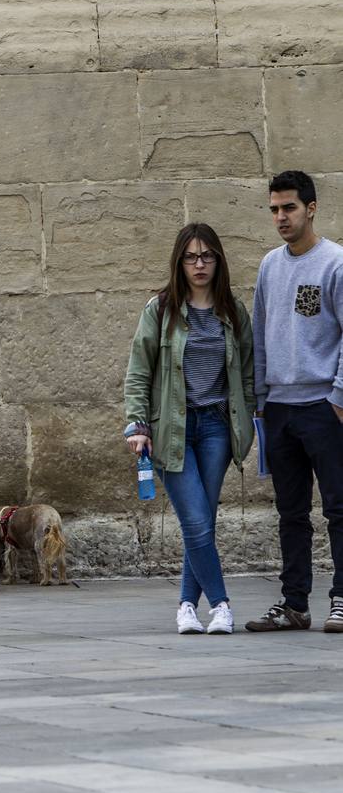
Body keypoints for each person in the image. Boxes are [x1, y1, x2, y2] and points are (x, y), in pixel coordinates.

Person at [123, 224, 255, 635]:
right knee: (196, 521)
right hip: (172, 430)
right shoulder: (160, 310)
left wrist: (248, 420)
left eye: (207, 256)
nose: (199, 265)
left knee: (202, 523)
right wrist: (138, 423)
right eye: (191, 257)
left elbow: (248, 374)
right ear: (179, 262)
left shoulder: (233, 310)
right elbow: (138, 371)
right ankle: (221, 605)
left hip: (217, 427)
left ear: (219, 260)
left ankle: (185, 606)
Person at [244, 170, 343, 633]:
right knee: (291, 513)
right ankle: (294, 604)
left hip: (324, 405)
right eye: (274, 210)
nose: (281, 217)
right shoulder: (270, 265)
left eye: (289, 208)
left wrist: (338, 397)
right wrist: (262, 398)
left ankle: (341, 599)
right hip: (280, 409)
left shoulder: (334, 264)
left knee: (339, 508)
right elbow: (260, 335)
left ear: (311, 208)